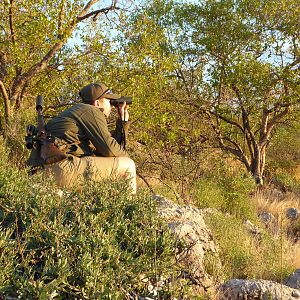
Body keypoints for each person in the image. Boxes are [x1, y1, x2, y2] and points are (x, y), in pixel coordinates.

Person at [27, 82, 136, 193]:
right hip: (61, 169)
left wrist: (122, 123)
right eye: (109, 101)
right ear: (97, 103)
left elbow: (108, 153)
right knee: (128, 165)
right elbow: (110, 150)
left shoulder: (77, 112)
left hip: (45, 171)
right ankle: (130, 208)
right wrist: (126, 158)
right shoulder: (91, 110)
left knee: (113, 163)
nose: (112, 106)